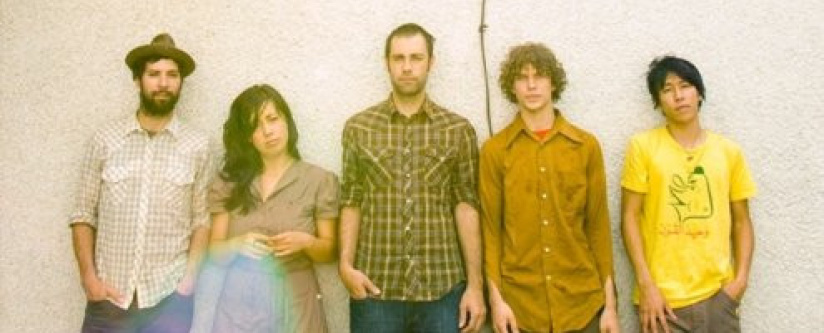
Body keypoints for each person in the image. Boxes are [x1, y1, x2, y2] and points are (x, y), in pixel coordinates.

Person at [339, 23, 486, 333]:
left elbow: (466, 205)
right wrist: (345, 265)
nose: (407, 67)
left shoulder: (457, 129)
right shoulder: (359, 128)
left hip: (442, 290)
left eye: (416, 58)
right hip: (375, 288)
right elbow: (351, 200)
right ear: (387, 63)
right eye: (399, 58)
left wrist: (475, 286)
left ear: (431, 62)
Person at [69, 33, 214, 333]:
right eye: (154, 74)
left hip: (168, 301)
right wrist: (89, 280)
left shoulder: (198, 146)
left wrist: (187, 284)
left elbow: (202, 220)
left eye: (172, 75)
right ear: (137, 80)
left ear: (180, 83)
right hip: (109, 300)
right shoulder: (105, 140)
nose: (163, 83)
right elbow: (83, 214)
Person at [479, 43, 619, 333]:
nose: (531, 85)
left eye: (539, 75)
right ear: (512, 87)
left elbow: (598, 228)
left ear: (553, 82)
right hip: (520, 310)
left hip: (582, 306)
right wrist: (496, 301)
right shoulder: (495, 151)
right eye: (522, 77)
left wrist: (610, 307)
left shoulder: (586, 146)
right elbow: (491, 232)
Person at [621, 56, 756, 333]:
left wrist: (739, 282)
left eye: (685, 86)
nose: (678, 96)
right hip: (662, 305)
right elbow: (629, 217)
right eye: (667, 89)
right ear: (658, 102)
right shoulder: (643, 147)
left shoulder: (728, 152)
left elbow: (742, 221)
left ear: (699, 93)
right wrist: (646, 286)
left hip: (719, 299)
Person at [204, 84, 339, 333]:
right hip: (239, 304)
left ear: (286, 121)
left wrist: (307, 243)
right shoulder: (229, 183)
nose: (267, 131)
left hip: (296, 301)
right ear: (247, 137)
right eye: (255, 126)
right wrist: (236, 245)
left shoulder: (319, 180)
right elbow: (213, 253)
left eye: (272, 119)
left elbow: (330, 252)